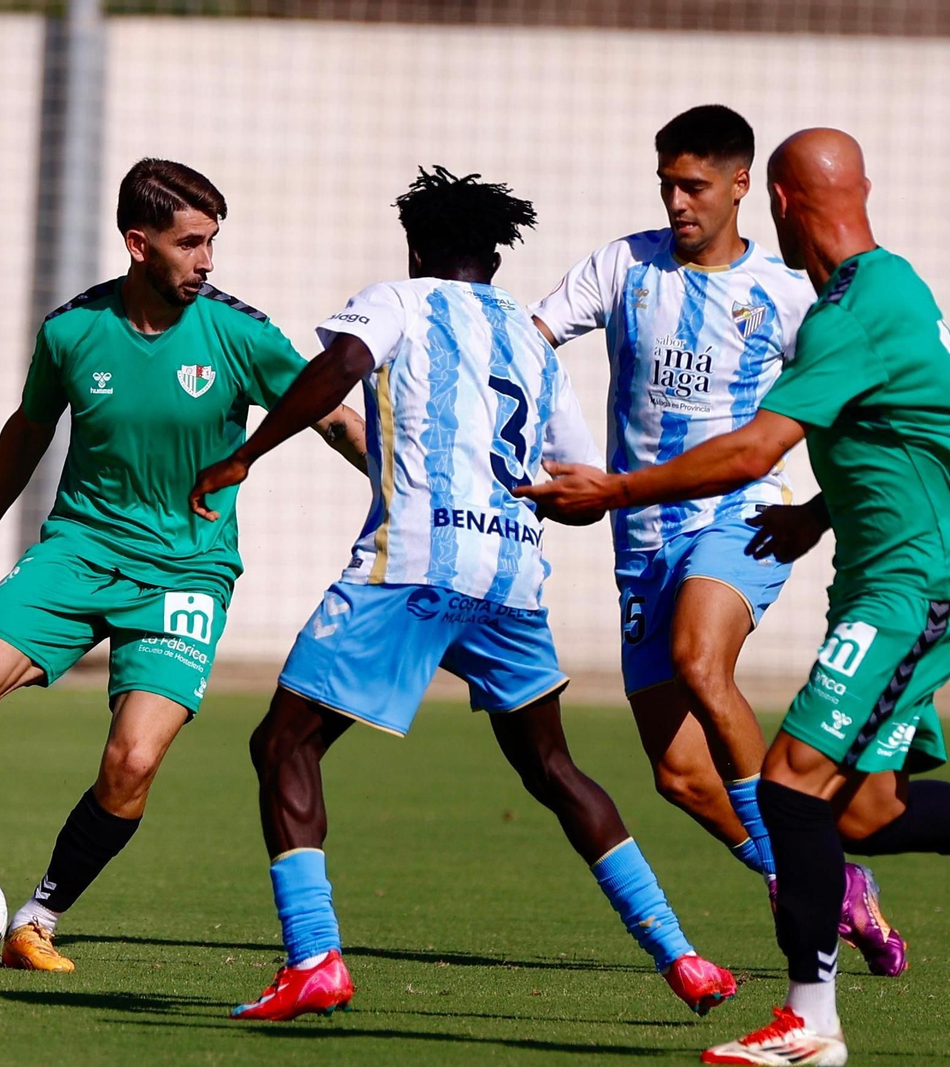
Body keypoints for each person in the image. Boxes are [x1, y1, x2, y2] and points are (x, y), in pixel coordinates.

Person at [520, 129, 950, 1066]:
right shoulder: (899, 289)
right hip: (894, 579)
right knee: (864, 811)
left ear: (773, 202)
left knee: (790, 787)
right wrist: (823, 510)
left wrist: (615, 488)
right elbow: (946, 428)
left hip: (910, 588)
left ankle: (810, 1021)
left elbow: (756, 449)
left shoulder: (842, 314)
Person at [190, 166, 738, 1023]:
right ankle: (683, 953)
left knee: (282, 744)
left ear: (416, 248)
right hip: (513, 577)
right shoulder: (531, 339)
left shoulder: (401, 300)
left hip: (411, 564)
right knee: (555, 768)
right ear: (491, 252)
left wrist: (245, 455)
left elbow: (336, 366)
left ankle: (314, 958)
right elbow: (579, 483)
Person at [0, 158, 366, 973]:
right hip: (78, 548)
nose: (208, 260)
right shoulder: (71, 331)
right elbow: (28, 429)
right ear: (139, 244)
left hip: (186, 572)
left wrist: (401, 483)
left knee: (132, 762)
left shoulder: (238, 334)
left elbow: (333, 418)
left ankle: (37, 917)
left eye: (212, 243)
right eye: (190, 243)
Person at [531, 104, 903, 975]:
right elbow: (533, 338)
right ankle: (838, 881)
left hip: (740, 519)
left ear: (742, 186)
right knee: (680, 774)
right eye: (666, 182)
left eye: (694, 184)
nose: (676, 201)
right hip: (640, 537)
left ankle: (790, 876)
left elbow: (856, 413)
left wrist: (817, 511)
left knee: (703, 661)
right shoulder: (625, 265)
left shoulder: (783, 295)